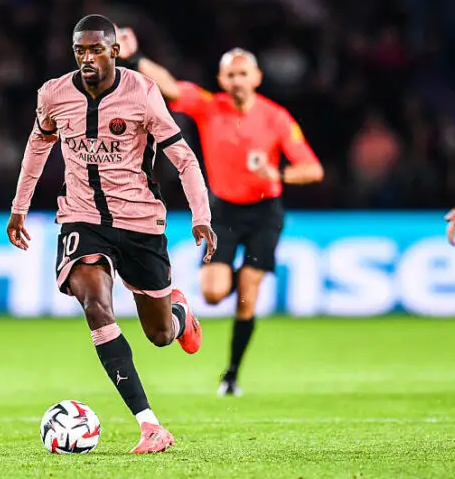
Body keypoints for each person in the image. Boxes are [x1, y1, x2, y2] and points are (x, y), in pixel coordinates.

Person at [7, 15, 216, 453]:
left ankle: (179, 315)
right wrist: (19, 207)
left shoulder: (143, 93)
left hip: (139, 222)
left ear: (115, 52)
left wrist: (201, 214)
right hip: (81, 218)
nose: (87, 58)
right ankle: (150, 425)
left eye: (96, 49)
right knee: (95, 305)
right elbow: (37, 146)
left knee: (159, 334)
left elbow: (183, 157)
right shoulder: (53, 94)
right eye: (79, 50)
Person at [117, 29, 324, 396]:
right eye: (231, 74)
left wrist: (276, 174)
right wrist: (135, 59)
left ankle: (231, 375)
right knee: (213, 293)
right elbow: (170, 87)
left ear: (257, 77)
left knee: (248, 293)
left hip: (264, 211)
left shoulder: (276, 118)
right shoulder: (210, 107)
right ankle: (232, 284)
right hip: (225, 211)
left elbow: (313, 169)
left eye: (243, 73)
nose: (237, 80)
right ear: (221, 79)